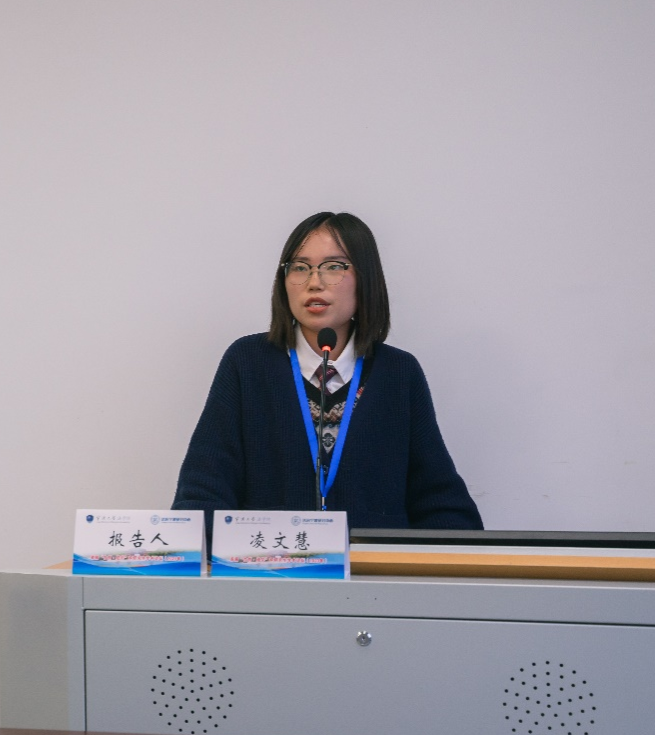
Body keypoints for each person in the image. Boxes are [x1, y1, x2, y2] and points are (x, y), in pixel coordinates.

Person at [171, 211, 482, 530]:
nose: (314, 282)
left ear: (366, 278)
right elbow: (203, 492)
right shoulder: (248, 362)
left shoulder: (398, 373)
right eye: (299, 267)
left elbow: (440, 503)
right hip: (274, 558)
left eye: (334, 266)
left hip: (371, 560)